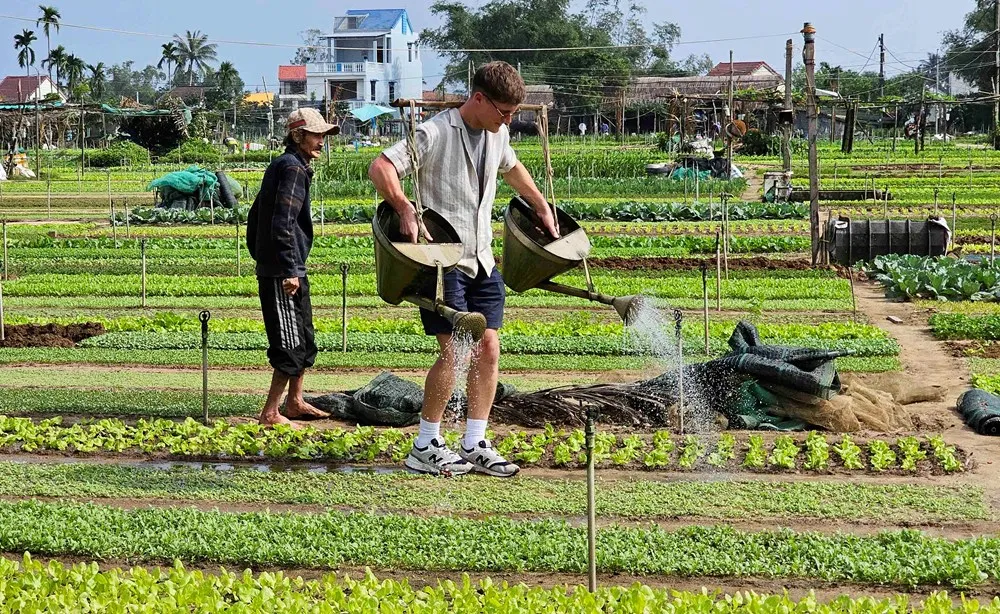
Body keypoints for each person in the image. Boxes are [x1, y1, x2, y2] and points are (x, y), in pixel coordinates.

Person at [369, 61, 559, 477]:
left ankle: (475, 440)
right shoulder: (435, 132)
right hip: (442, 260)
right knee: (457, 350)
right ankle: (425, 443)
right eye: (503, 112)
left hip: (483, 257)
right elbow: (381, 167)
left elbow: (511, 167)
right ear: (478, 98)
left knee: (488, 347)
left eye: (512, 113)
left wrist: (540, 203)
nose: (508, 120)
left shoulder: (499, 133)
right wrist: (404, 206)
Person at [247, 108, 339, 427]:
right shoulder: (292, 169)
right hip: (282, 271)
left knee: (305, 337)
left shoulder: (290, 165)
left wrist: (290, 266)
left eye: (323, 136)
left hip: (291, 267)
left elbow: (255, 216)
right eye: (316, 135)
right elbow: (281, 222)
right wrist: (286, 268)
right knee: (290, 343)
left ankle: (295, 402)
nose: (321, 142)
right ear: (298, 136)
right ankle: (270, 413)